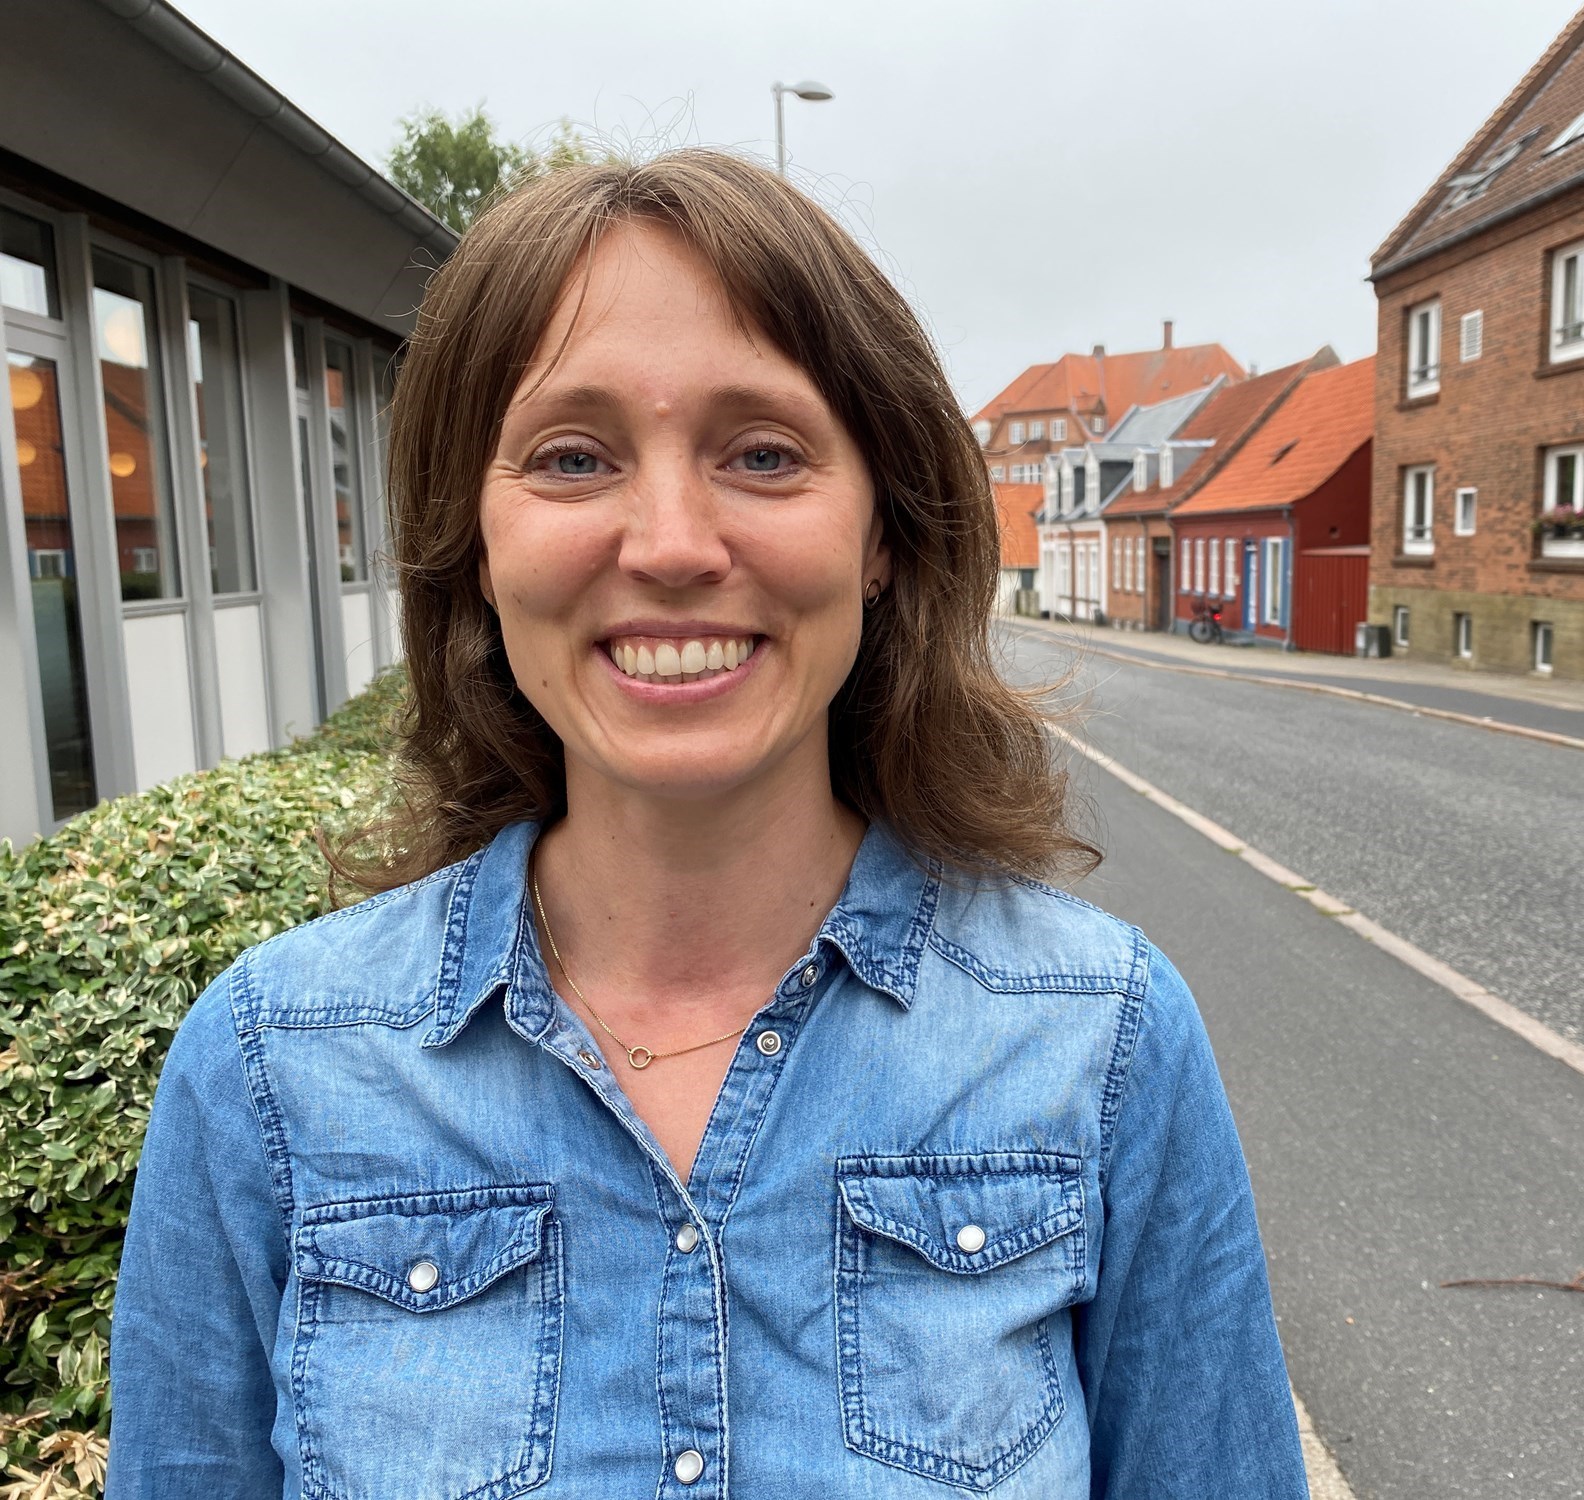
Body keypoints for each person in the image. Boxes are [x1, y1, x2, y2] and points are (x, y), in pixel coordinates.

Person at [106, 150, 1308, 1498]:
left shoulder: (1103, 1041)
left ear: (882, 533)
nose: (672, 543)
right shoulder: (270, 1069)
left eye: (764, 454)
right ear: (475, 542)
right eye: (573, 457)